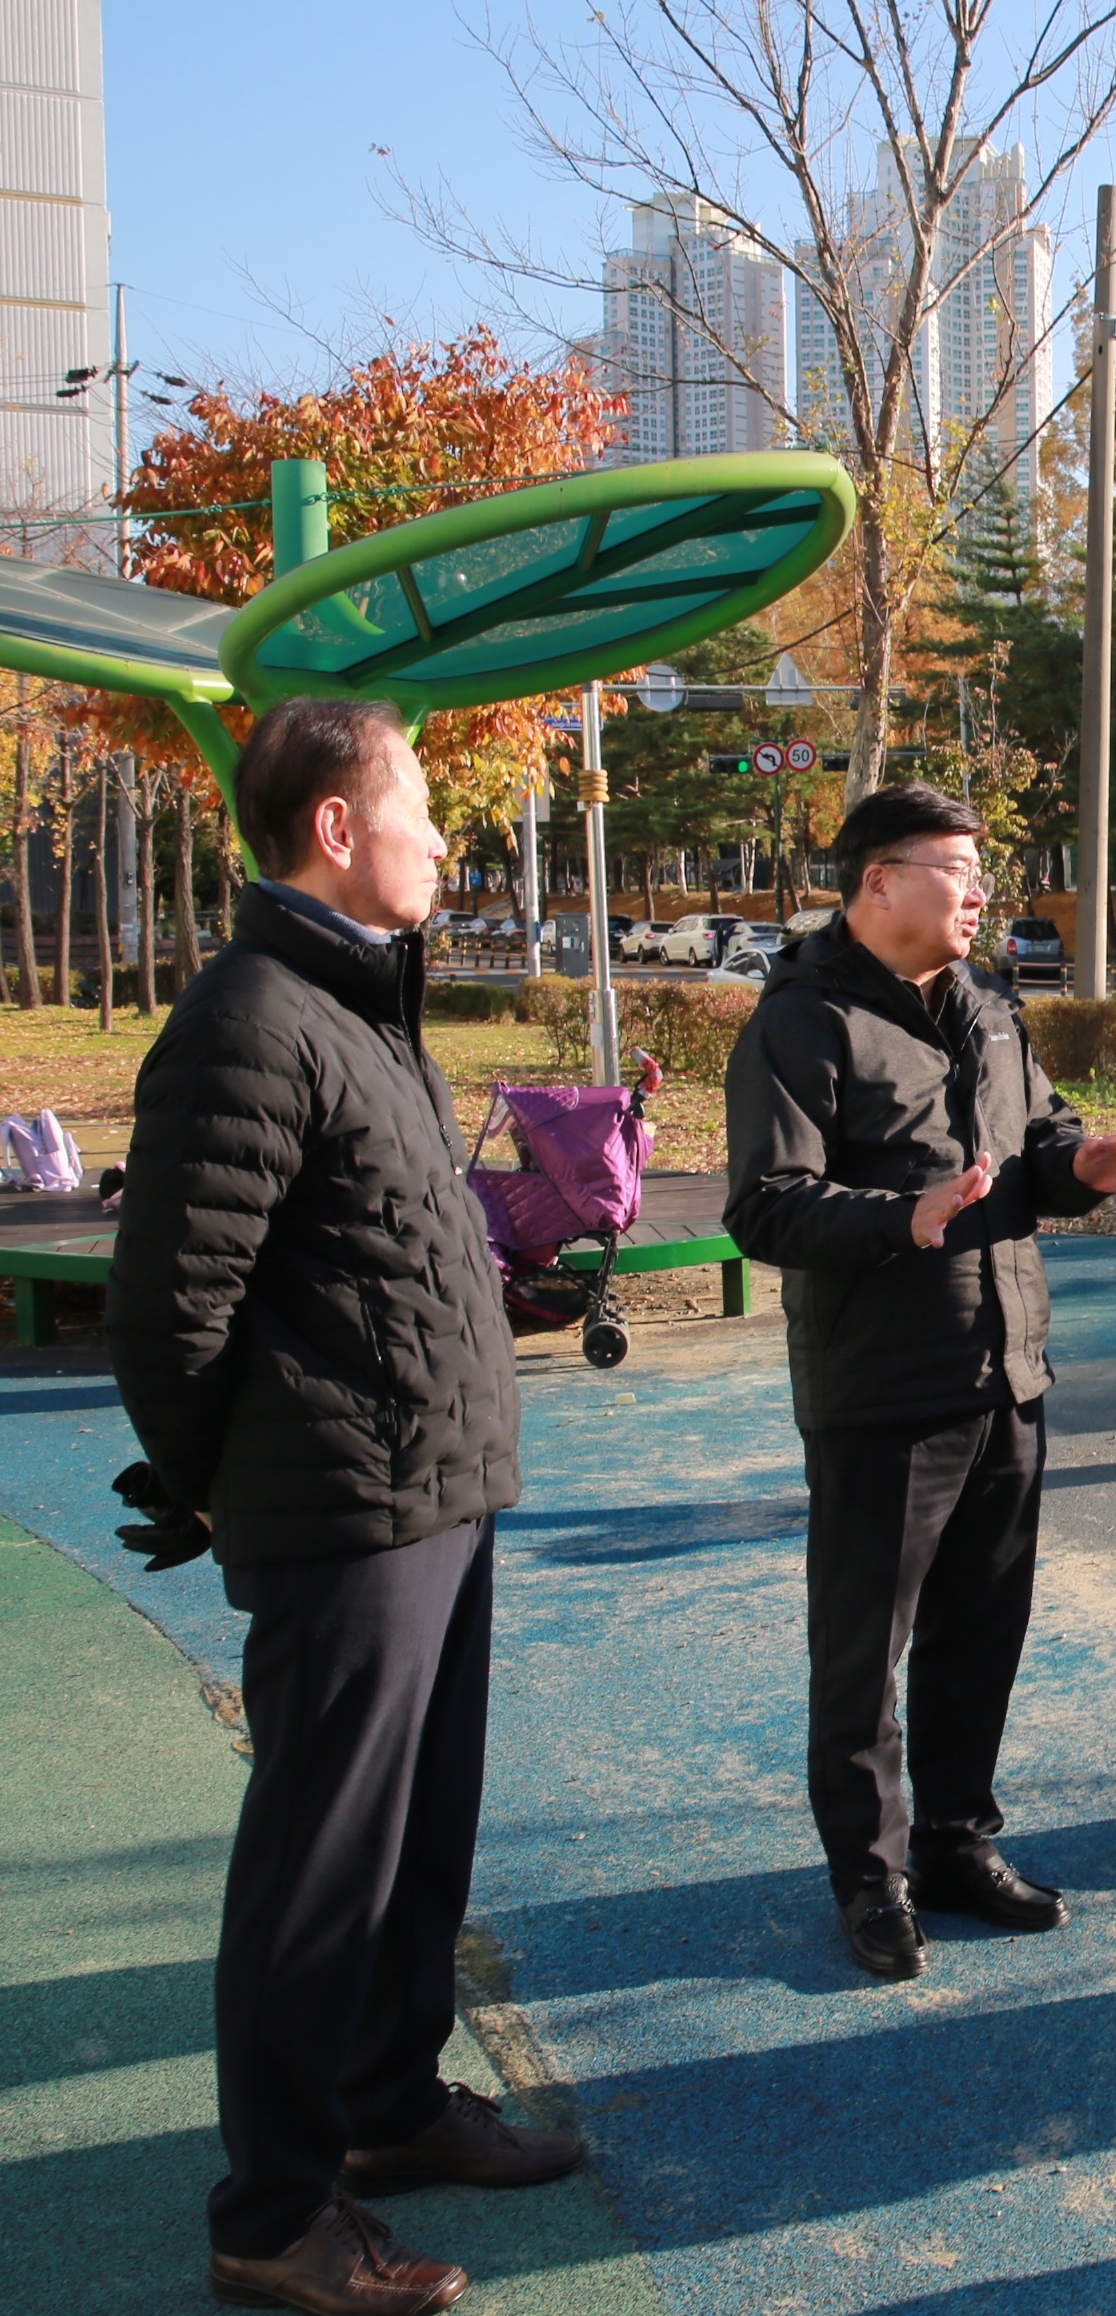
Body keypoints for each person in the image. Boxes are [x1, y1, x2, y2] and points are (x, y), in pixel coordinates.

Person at [109, 698, 580, 2316]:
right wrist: (218, 1488)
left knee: (412, 1843)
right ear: (334, 827)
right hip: (349, 1514)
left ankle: (387, 2108)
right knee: (320, 1869)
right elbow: (172, 1309)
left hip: (436, 1494)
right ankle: (276, 2213)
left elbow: (364, 1254)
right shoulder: (251, 1016)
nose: (446, 835)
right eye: (423, 804)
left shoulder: (360, 1010)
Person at [725, 784, 1116, 1981]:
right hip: (883, 1387)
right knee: (863, 1651)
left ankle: (955, 1842)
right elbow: (767, 1204)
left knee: (983, 1631)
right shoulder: (802, 1020)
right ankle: (870, 1879)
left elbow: (1040, 1149)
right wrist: (902, 1217)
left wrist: (1091, 1162)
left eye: (987, 867)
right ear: (877, 880)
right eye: (957, 867)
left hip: (1007, 1370)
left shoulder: (989, 1004)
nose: (981, 888)